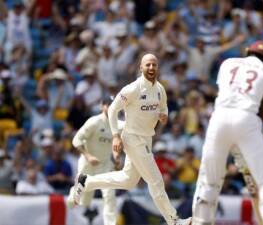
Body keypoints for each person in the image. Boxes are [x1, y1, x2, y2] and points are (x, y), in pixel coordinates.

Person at [72, 54, 191, 225]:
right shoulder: (133, 89)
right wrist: (114, 136)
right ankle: (174, 221)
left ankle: (86, 182)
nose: (151, 68)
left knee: (128, 180)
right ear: (141, 68)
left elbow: (163, 108)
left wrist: (163, 116)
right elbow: (113, 110)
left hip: (147, 138)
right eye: (148, 65)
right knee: (156, 180)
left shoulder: (159, 89)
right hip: (132, 138)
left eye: (154, 65)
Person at [192, 41, 263, 225]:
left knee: (209, 181)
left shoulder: (228, 63)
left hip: (218, 118)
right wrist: (248, 145)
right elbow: (261, 112)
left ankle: (200, 222)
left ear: (248, 52)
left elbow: (228, 92)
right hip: (247, 118)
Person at [67, 96, 117, 225]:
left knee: (109, 194)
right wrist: (88, 156)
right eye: (108, 104)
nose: (111, 107)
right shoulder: (94, 122)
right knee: (83, 198)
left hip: (105, 164)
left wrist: (117, 158)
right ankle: (74, 195)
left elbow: (118, 144)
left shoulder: (118, 125)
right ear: (102, 106)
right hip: (87, 163)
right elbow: (76, 140)